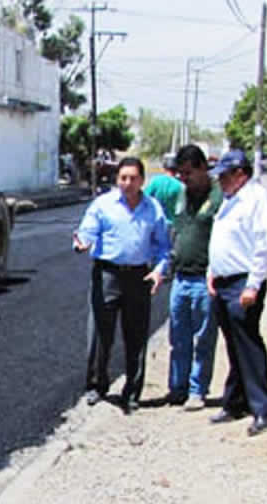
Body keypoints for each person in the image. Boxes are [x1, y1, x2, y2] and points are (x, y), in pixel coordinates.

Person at [73, 157, 171, 412]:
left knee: (137, 336)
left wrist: (160, 270)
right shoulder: (103, 205)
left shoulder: (153, 209)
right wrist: (82, 242)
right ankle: (97, 385)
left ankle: (132, 392)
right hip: (107, 275)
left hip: (139, 277)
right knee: (99, 334)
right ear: (117, 179)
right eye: (123, 178)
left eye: (133, 178)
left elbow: (163, 247)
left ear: (142, 180)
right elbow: (87, 231)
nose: (127, 183)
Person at [206, 150, 267, 436]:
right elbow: (223, 240)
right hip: (223, 281)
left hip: (242, 283)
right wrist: (212, 271)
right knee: (233, 344)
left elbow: (264, 246)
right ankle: (235, 401)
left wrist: (253, 285)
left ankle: (262, 407)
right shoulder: (230, 201)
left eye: (224, 176)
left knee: (247, 343)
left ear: (241, 174)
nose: (220, 181)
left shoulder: (258, 201)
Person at [164, 145, 223, 410]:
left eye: (188, 173)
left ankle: (197, 390)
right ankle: (177, 388)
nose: (184, 178)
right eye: (180, 174)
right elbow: (174, 230)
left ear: (202, 168)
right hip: (181, 277)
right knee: (178, 336)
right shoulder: (181, 197)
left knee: (203, 338)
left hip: (205, 279)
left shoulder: (219, 197)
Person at [144, 154, 185, 228]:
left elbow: (144, 198)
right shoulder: (180, 186)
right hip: (170, 224)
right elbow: (180, 209)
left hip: (154, 222)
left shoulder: (155, 180)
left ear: (164, 168)